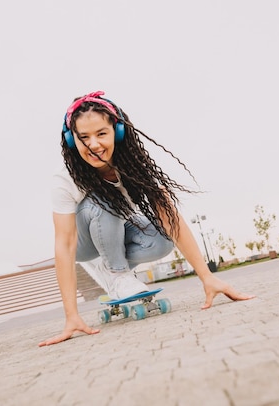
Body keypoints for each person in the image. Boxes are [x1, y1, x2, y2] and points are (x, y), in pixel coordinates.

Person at [39, 91, 255, 347]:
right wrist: (71, 316)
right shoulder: (64, 177)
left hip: (116, 226)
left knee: (162, 239)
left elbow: (172, 219)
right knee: (104, 198)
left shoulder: (133, 164)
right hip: (83, 243)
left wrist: (207, 277)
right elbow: (64, 244)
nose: (94, 145)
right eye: (83, 137)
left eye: (101, 134)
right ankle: (117, 274)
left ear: (117, 132)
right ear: (71, 140)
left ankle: (113, 268)